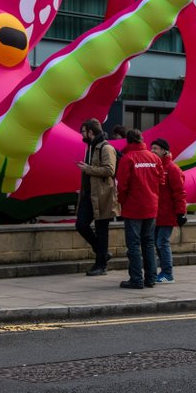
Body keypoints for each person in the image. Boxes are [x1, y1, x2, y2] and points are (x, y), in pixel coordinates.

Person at [115, 128, 162, 289]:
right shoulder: (154, 158)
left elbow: (122, 186)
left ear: (127, 141)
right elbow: (161, 180)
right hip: (151, 206)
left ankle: (136, 279)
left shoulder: (127, 159)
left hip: (133, 208)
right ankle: (151, 278)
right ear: (141, 139)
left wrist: (121, 203)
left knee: (134, 245)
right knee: (148, 243)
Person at [75, 118, 118, 276]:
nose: (82, 135)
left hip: (102, 195)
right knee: (81, 224)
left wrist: (88, 169)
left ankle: (101, 265)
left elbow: (109, 170)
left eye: (84, 132)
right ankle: (102, 252)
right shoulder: (90, 147)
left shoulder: (106, 148)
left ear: (91, 132)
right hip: (88, 195)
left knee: (102, 230)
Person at [151, 138, 187, 283]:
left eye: (156, 148)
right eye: (152, 148)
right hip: (156, 213)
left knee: (162, 243)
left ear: (164, 150)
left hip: (168, 214)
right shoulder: (155, 167)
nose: (153, 151)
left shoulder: (172, 169)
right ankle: (163, 271)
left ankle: (167, 273)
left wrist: (181, 213)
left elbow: (180, 193)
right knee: (156, 243)